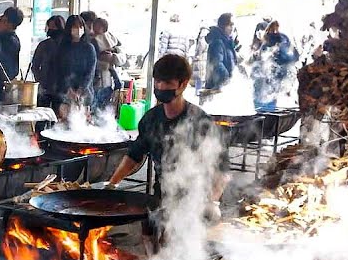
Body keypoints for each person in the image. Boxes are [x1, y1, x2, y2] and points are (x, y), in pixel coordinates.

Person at [107, 54, 227, 203]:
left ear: (183, 84)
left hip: (197, 198)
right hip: (162, 195)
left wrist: (213, 203)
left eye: (168, 82)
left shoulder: (201, 122)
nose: (161, 87)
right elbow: (134, 156)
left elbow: (220, 169)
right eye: (157, 81)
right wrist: (112, 184)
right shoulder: (150, 119)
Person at [252, 21, 300, 111]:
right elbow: (295, 57)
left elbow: (259, 67)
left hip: (268, 82)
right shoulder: (284, 40)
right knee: (270, 103)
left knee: (263, 105)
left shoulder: (268, 44)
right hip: (277, 81)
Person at [54, 15, 97, 115]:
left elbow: (90, 72)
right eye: (75, 27)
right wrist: (69, 89)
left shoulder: (89, 48)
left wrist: (80, 90)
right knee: (65, 120)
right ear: (69, 29)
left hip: (84, 93)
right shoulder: (63, 48)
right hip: (64, 93)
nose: (78, 30)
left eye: (80, 27)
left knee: (81, 120)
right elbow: (60, 71)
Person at [31, 15, 65, 108]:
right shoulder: (43, 45)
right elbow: (35, 65)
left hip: (62, 88)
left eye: (54, 26)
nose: (51, 29)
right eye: (50, 27)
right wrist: (40, 80)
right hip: (45, 87)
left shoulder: (67, 46)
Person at [91, 16, 123, 108]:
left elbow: (122, 57)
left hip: (107, 81)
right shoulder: (91, 40)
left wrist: (113, 57)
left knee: (104, 108)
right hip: (97, 82)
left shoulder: (109, 38)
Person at [204, 13, 238, 92]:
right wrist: (227, 79)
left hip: (224, 86)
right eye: (230, 25)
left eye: (233, 25)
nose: (232, 28)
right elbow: (217, 64)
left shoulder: (227, 41)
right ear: (223, 25)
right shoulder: (218, 42)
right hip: (218, 86)